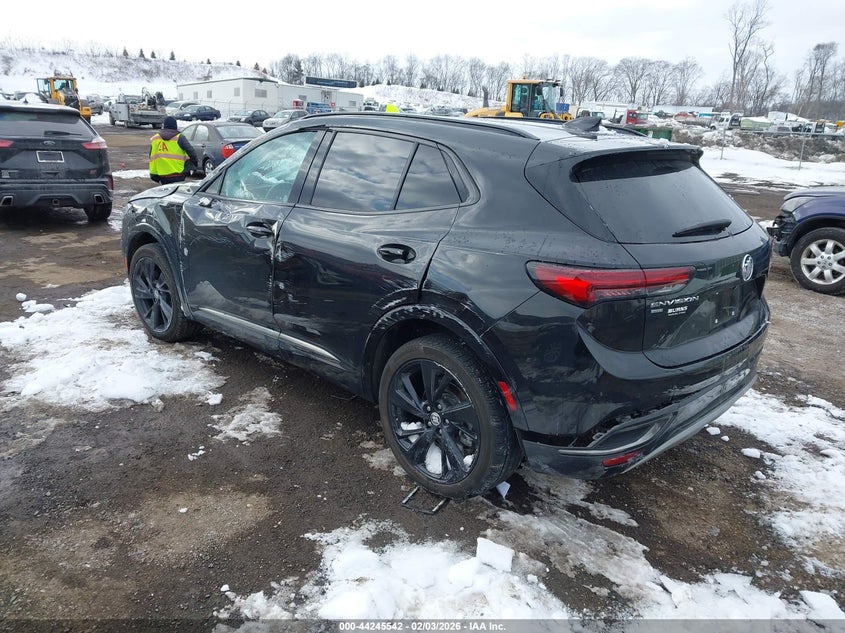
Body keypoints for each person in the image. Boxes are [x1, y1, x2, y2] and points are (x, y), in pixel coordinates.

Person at [149, 116, 198, 184]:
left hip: (163, 175)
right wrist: (193, 165)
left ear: (164, 126)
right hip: (178, 174)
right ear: (175, 126)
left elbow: (151, 157)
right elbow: (192, 153)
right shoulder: (180, 137)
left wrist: (154, 174)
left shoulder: (155, 139)